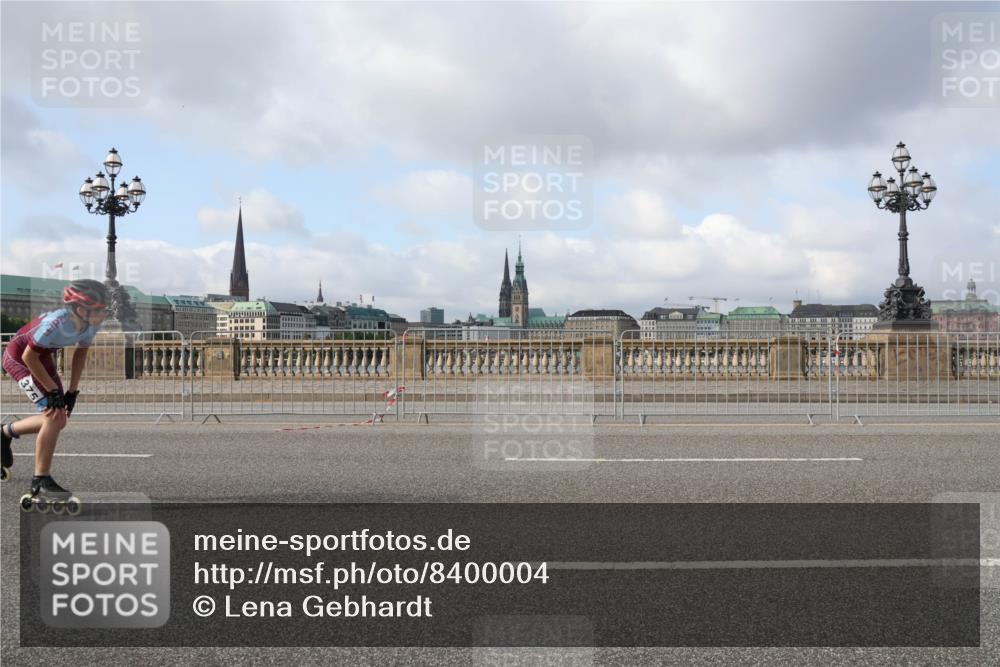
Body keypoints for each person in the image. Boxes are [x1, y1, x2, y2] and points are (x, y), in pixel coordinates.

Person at [1, 279, 110, 508]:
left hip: (42, 357)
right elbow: (28, 357)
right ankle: (41, 479)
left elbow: (80, 354)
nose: (105, 314)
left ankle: (4, 433)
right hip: (20, 358)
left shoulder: (91, 323)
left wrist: (72, 391)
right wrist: (52, 391)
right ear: (81, 309)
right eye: (101, 310)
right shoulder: (56, 322)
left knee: (58, 417)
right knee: (55, 416)